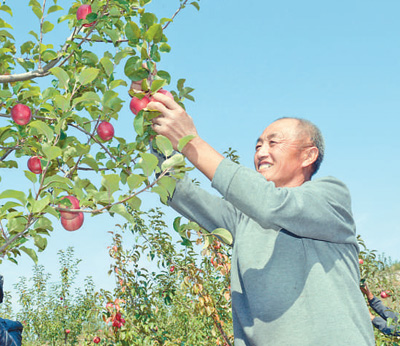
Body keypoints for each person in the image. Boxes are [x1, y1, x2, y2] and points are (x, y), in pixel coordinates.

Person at [146, 93, 375, 345]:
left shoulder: (331, 197)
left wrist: (190, 143)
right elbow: (179, 192)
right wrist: (156, 124)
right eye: (257, 146)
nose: (261, 153)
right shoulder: (242, 220)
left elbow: (270, 204)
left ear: (308, 156)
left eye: (273, 143)